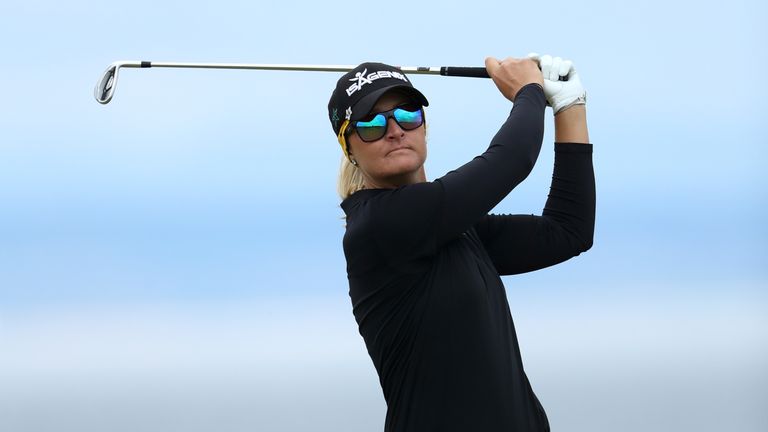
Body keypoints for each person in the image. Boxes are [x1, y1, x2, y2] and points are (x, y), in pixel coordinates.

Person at [327, 54, 594, 432]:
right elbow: (512, 159)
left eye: (407, 114)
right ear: (349, 149)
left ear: (423, 127)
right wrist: (529, 91)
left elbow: (570, 230)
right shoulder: (379, 227)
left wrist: (569, 106)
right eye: (370, 123)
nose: (394, 130)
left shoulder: (455, 229)